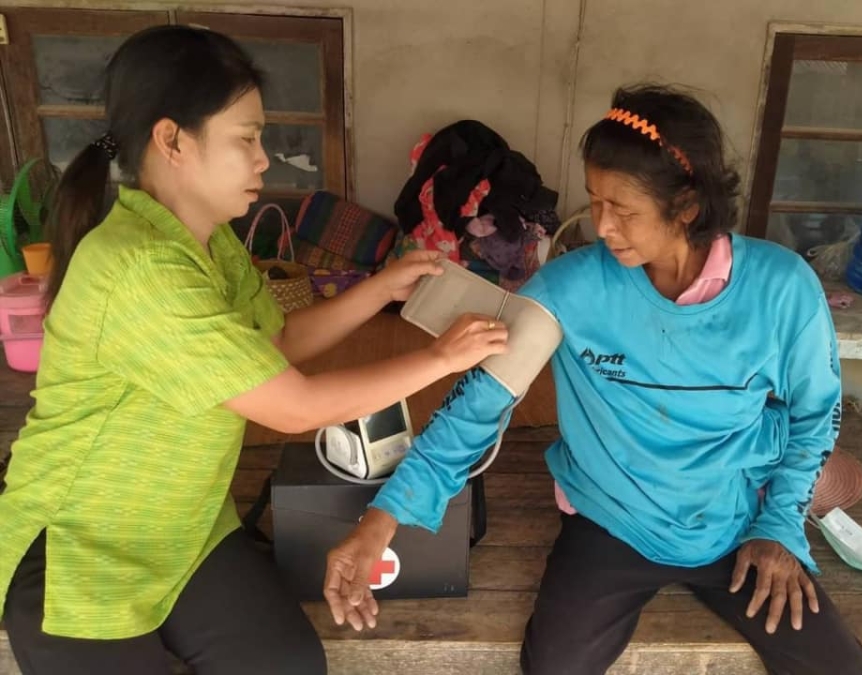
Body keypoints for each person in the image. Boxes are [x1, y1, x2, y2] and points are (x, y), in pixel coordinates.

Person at [0, 25, 507, 675]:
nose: (264, 158)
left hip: (184, 526)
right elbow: (293, 406)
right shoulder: (138, 267)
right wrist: (440, 359)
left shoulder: (210, 240)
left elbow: (278, 345)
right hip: (81, 547)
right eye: (246, 138)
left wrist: (383, 285)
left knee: (289, 664)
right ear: (171, 140)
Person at [323, 84, 862, 675]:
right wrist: (382, 520)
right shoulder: (569, 289)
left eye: (625, 210)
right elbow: (477, 407)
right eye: (595, 202)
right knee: (553, 666)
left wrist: (781, 524)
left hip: (739, 520)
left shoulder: (782, 288)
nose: (603, 227)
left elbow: (813, 418)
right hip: (610, 521)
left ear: (687, 205)